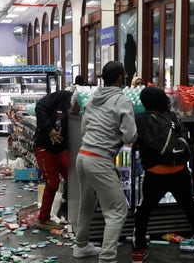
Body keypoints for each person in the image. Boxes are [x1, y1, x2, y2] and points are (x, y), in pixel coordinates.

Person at [131, 87, 194, 263]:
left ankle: (138, 252)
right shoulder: (173, 118)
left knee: (143, 212)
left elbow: (130, 139)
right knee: (192, 209)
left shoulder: (139, 119)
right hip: (179, 173)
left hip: (154, 175)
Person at [73, 61, 137, 263]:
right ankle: (107, 258)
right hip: (99, 160)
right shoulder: (122, 100)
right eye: (124, 75)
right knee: (117, 210)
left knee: (86, 205)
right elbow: (130, 136)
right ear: (120, 77)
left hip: (83, 156)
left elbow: (84, 129)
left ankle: (81, 246)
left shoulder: (92, 98)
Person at [32, 90, 73, 230]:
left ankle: (72, 213)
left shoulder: (81, 108)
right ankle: (43, 219)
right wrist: (49, 129)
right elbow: (40, 107)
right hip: (44, 147)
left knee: (73, 178)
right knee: (52, 183)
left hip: (59, 148)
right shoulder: (62, 96)